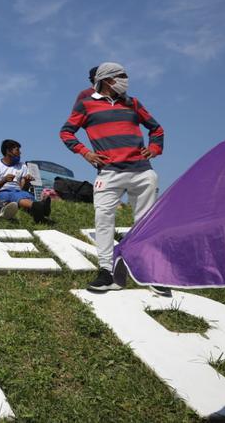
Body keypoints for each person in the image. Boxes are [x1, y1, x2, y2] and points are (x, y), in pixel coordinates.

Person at [60, 62, 166, 294]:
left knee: (145, 221)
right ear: (107, 79)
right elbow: (66, 131)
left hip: (142, 172)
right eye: (121, 76)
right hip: (109, 173)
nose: (126, 79)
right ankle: (106, 271)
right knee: (103, 219)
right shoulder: (86, 104)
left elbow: (156, 129)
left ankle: (148, 271)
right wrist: (85, 153)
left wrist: (155, 149)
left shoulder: (134, 103)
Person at [0, 139, 52, 222]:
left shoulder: (22, 165)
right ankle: (39, 207)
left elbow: (23, 189)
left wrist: (26, 181)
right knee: (14, 195)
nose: (20, 153)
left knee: (27, 195)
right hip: (3, 192)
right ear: (8, 151)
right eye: (17, 150)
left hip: (19, 191)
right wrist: (4, 180)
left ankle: (39, 209)